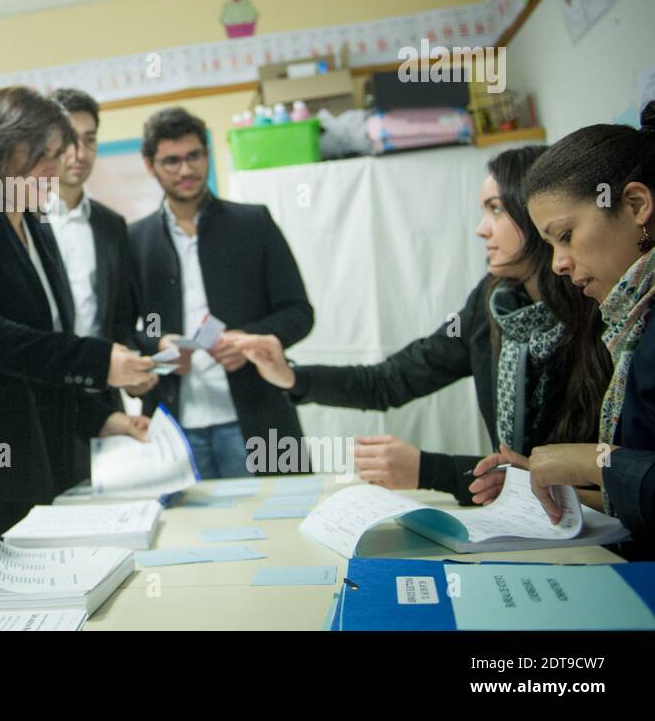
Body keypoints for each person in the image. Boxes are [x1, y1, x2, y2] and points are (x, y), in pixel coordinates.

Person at [232, 146, 611, 505]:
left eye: (496, 210)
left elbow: (585, 483)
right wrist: (291, 377)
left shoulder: (599, 308)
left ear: (538, 212)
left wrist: (428, 470)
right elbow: (392, 379)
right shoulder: (490, 303)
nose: (482, 229)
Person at [0, 86, 156, 564]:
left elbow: (40, 355)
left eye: (59, 154)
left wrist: (102, 416)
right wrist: (99, 360)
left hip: (38, 458)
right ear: (2, 146)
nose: (55, 167)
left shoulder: (34, 225)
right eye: (43, 154)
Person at [128, 107, 313, 478]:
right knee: (183, 535)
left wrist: (249, 339)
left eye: (194, 156)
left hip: (257, 416)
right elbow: (125, 327)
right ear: (150, 165)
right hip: (174, 424)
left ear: (208, 154)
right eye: (171, 161)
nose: (186, 170)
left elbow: (298, 312)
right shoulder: (134, 240)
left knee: (278, 528)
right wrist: (158, 344)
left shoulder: (253, 223)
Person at [517, 106, 655, 555]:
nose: (558, 264)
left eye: (566, 235)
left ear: (635, 206)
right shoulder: (631, 319)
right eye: (551, 245)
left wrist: (601, 463)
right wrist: (575, 482)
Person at [46, 88, 157, 478]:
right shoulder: (22, 221)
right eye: (69, 141)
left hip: (103, 397)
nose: (80, 153)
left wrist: (143, 361)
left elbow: (122, 318)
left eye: (90, 139)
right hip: (43, 395)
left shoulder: (111, 226)